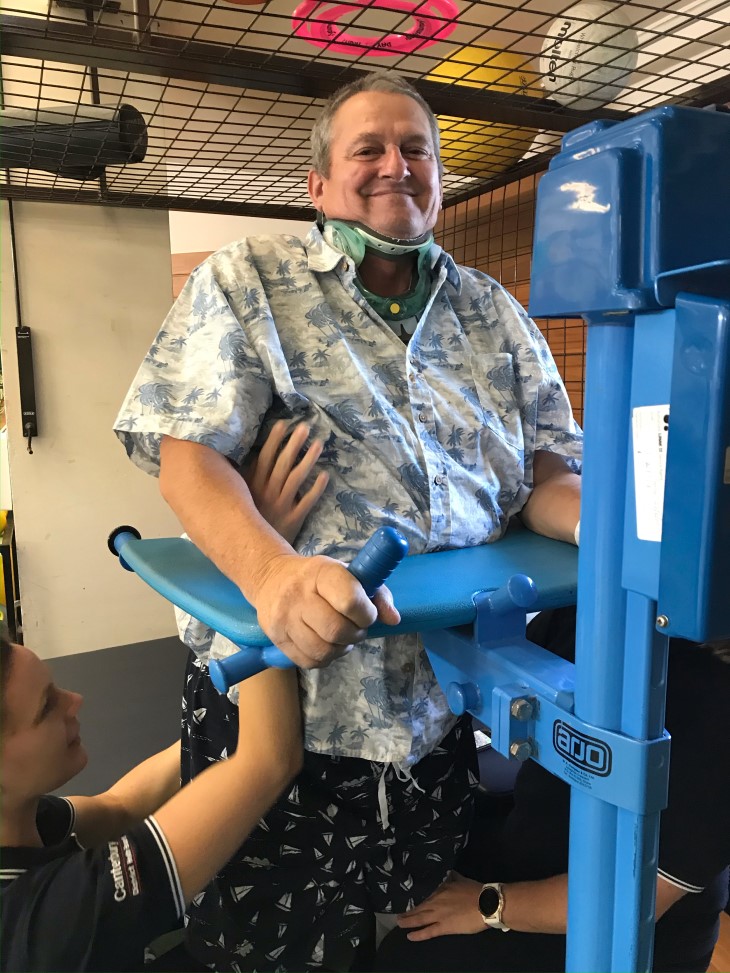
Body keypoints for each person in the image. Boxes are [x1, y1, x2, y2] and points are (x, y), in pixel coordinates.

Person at [114, 69, 583, 971]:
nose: (395, 164)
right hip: (282, 713)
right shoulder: (247, 281)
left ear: (441, 180)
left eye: (416, 149)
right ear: (318, 185)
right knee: (263, 951)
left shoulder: (497, 314)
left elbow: (548, 478)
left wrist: (617, 529)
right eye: (367, 147)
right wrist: (274, 570)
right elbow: (189, 459)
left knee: (412, 942)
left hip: (439, 714)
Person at [376, 607, 730, 973]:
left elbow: (630, 902)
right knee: (408, 862)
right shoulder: (596, 613)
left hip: (631, 934)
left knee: (406, 959)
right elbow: (493, 695)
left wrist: (485, 905)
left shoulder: (718, 711)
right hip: (543, 843)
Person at [0, 631, 302, 973]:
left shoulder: (19, 817)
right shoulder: (36, 925)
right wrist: (263, 615)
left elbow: (120, 807)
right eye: (47, 706)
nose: (74, 700)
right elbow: (269, 762)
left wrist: (208, 728)